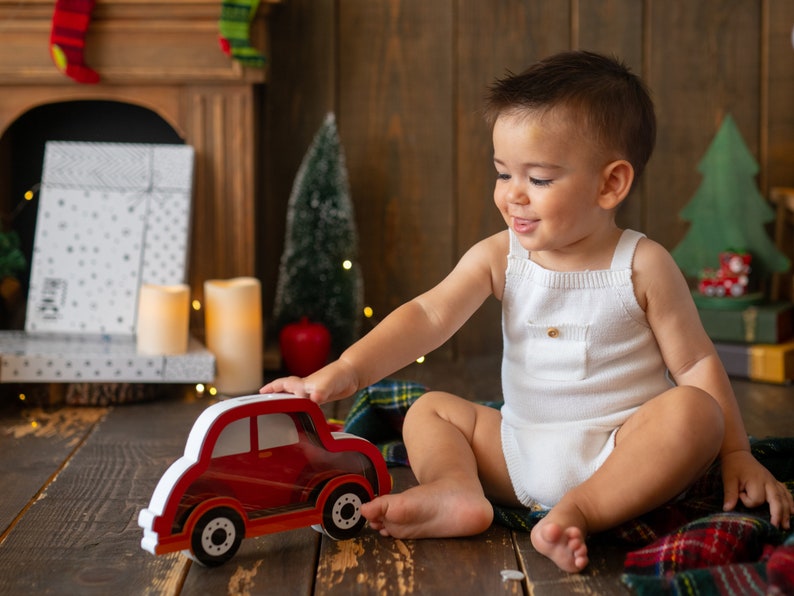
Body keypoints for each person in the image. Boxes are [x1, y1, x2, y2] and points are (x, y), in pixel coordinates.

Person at [261, 50, 793, 573]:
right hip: (515, 452)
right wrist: (346, 371)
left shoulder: (643, 265)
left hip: (622, 455)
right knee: (429, 412)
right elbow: (428, 315)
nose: (513, 195)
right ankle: (457, 491)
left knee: (695, 411)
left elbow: (698, 365)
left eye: (538, 179)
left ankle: (578, 511)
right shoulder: (501, 256)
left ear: (611, 184)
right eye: (502, 174)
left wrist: (736, 455)